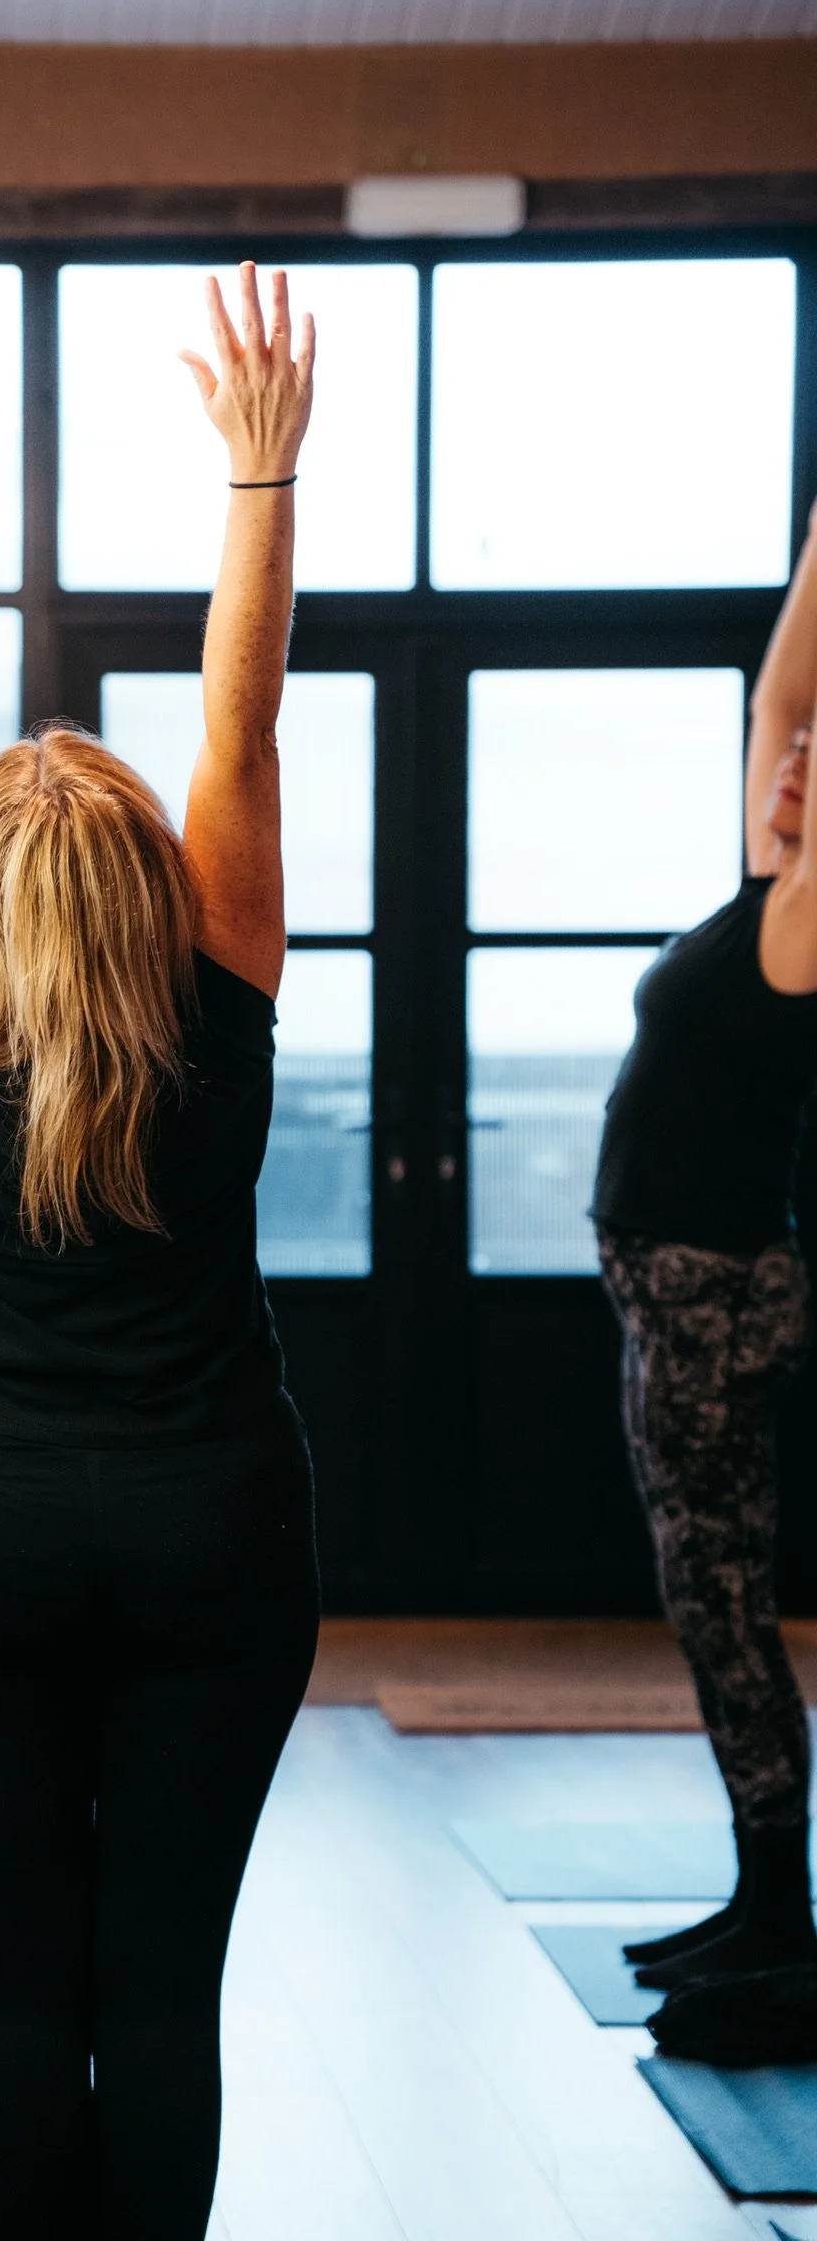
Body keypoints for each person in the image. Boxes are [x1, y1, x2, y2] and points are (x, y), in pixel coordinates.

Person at [0, 267, 320, 2240]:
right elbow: (243, 722)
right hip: (213, 1526)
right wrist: (258, 474)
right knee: (162, 1992)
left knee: (23, 1990)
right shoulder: (213, 1012)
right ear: (152, 882)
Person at [593, 503, 817, 1989]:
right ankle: (760, 1903)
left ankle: (776, 1926)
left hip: (716, 1312)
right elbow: (777, 698)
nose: (790, 769)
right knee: (710, 1608)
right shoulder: (767, 895)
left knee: (724, 1612)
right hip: (678, 1310)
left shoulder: (810, 918)